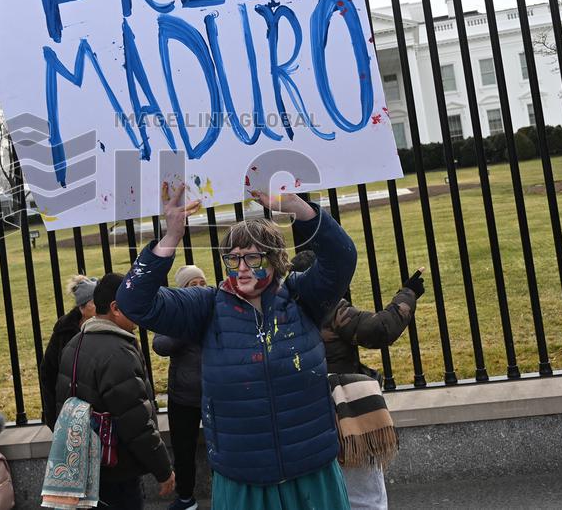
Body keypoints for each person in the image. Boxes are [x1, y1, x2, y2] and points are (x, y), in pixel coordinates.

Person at [118, 185, 357, 510]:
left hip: (311, 472)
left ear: (274, 260)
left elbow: (342, 257)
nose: (242, 268)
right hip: (243, 478)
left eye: (253, 257)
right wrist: (170, 236)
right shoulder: (208, 307)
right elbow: (134, 301)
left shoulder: (302, 299)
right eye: (233, 259)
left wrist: (296, 206)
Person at [292, 250, 426, 510]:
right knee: (363, 490)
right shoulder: (328, 307)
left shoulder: (282, 309)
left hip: (303, 410)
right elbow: (379, 330)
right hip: (344, 410)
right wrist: (408, 293)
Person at [56, 273, 176, 510]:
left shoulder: (75, 343)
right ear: (116, 308)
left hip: (86, 466)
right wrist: (163, 470)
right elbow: (136, 422)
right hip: (117, 470)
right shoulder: (118, 352)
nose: (141, 312)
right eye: (135, 304)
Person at [151, 266, 206, 510]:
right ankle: (186, 497)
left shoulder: (214, 307)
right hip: (183, 396)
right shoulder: (175, 314)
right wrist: (187, 326)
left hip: (215, 392)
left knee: (224, 447)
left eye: (201, 282)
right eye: (191, 284)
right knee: (183, 451)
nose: (198, 288)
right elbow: (160, 345)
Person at [39, 275, 98, 429]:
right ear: (82, 308)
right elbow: (48, 372)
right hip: (71, 414)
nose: (99, 305)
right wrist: (53, 416)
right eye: (94, 302)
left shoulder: (105, 326)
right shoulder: (63, 331)